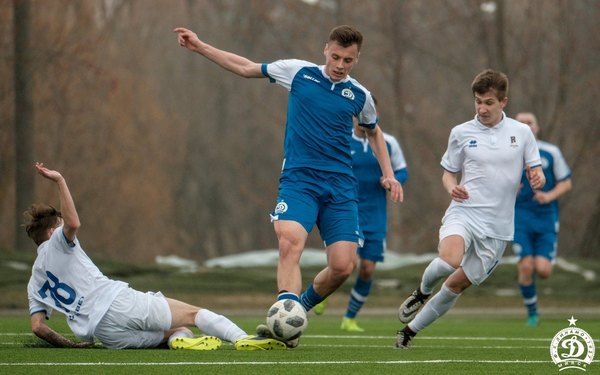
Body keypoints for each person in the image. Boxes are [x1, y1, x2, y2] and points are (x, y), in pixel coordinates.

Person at [174, 25, 403, 346]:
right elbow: (245, 67)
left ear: (356, 59)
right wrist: (200, 47)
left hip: (340, 188)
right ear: (326, 49)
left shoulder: (360, 96)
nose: (339, 65)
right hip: (300, 180)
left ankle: (297, 311)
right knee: (289, 242)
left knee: (342, 267)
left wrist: (388, 173)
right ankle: (285, 309)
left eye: (348, 60)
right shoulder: (298, 72)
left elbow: (375, 131)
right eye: (335, 56)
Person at [25, 162, 286, 351]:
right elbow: (73, 223)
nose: (62, 227)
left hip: (105, 334)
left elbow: (38, 327)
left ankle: (179, 340)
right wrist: (60, 181)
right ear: (51, 231)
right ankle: (242, 339)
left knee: (172, 332)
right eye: (58, 224)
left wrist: (71, 346)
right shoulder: (57, 242)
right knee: (194, 315)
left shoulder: (35, 280)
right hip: (117, 303)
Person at [394, 69, 545, 349]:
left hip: (498, 228)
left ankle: (408, 332)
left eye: (488, 102)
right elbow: (448, 173)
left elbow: (536, 170)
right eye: (477, 101)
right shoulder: (461, 132)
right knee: (450, 259)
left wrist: (538, 177)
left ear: (503, 102)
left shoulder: (521, 133)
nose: (482, 108)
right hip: (465, 211)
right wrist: (451, 187)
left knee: (455, 286)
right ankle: (422, 291)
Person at [314, 114, 409, 333]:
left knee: (367, 269)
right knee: (348, 263)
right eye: (358, 115)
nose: (362, 119)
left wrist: (391, 181)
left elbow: (402, 171)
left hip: (375, 215)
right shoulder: (342, 140)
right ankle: (322, 292)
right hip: (348, 209)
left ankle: (349, 318)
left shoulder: (388, 142)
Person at [513, 112, 572, 327]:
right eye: (521, 123)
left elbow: (566, 183)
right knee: (526, 266)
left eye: (530, 122)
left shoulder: (551, 152)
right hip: (520, 217)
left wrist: (549, 196)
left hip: (546, 217)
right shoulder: (507, 153)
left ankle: (532, 276)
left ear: (537, 127)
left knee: (544, 270)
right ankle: (532, 314)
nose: (526, 126)